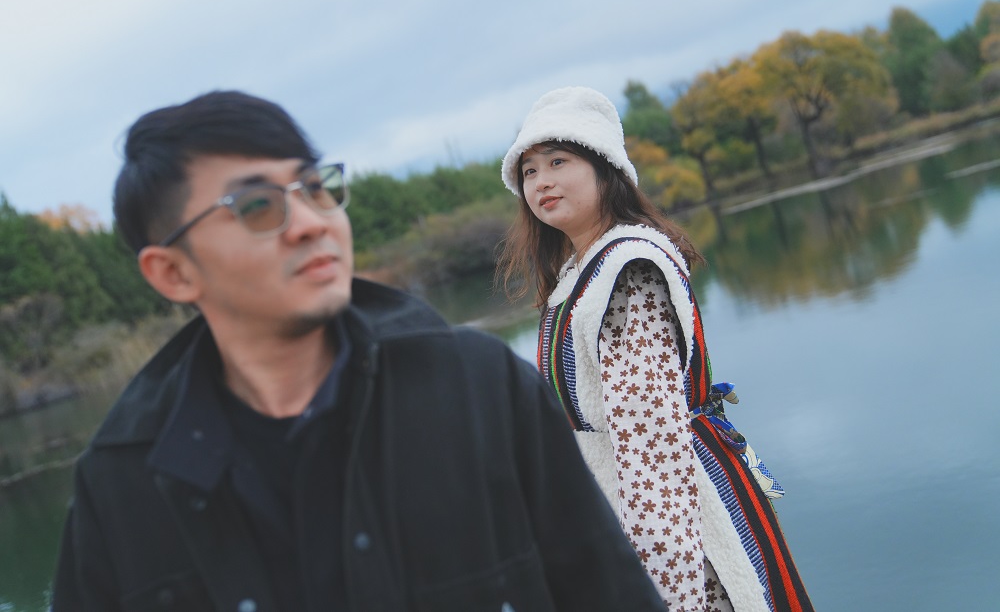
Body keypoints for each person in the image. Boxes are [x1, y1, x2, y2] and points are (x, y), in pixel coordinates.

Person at [51, 90, 667, 612]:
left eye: (316, 188)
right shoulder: (120, 485)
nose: (310, 222)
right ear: (173, 273)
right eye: (258, 206)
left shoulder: (481, 390)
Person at [496, 86, 814, 612]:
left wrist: (667, 592)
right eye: (529, 171)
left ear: (605, 168)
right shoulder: (581, 272)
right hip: (618, 517)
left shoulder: (627, 270)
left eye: (558, 161)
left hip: (675, 531)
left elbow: (651, 443)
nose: (541, 181)